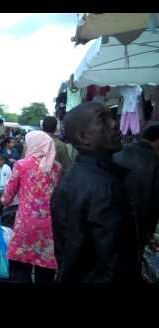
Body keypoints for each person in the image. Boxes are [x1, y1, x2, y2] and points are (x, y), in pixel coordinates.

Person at [50, 102, 142, 283]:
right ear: (84, 137)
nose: (114, 124)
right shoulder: (104, 185)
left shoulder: (71, 178)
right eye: (103, 120)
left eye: (111, 117)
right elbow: (115, 265)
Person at [0, 131, 62, 283]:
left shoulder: (21, 165)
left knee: (22, 264)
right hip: (50, 225)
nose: (26, 145)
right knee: (46, 267)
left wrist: (3, 201)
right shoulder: (57, 167)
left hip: (26, 224)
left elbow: (7, 197)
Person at [114, 124, 159, 256]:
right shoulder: (155, 161)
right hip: (138, 227)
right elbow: (156, 202)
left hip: (109, 222)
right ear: (157, 140)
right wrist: (149, 232)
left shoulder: (118, 151)